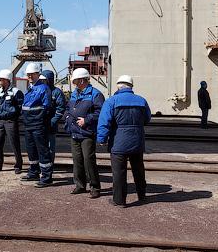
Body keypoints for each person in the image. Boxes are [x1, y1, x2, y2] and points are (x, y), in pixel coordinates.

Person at [97, 74, 152, 207]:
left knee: (119, 173)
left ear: (118, 86)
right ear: (131, 86)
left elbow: (104, 122)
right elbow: (147, 119)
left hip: (118, 142)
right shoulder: (141, 101)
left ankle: (119, 200)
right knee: (138, 170)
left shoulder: (111, 101)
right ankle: (142, 196)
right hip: (137, 141)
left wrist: (101, 138)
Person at [63, 67, 105, 198]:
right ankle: (80, 185)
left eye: (75, 81)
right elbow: (67, 108)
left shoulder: (95, 94)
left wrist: (86, 120)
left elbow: (101, 112)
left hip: (87, 132)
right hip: (75, 132)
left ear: (81, 80)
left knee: (88, 160)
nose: (74, 83)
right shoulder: (75, 93)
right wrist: (67, 117)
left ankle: (95, 187)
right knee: (77, 160)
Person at [20, 62, 53, 187]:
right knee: (31, 150)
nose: (30, 77)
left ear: (38, 74)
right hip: (28, 125)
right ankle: (33, 172)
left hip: (38, 125)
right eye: (28, 75)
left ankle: (46, 177)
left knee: (43, 151)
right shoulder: (30, 88)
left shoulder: (43, 89)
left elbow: (46, 107)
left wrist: (38, 119)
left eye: (32, 74)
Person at [0, 68, 23, 174]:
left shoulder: (16, 92)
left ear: (7, 80)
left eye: (1, 79)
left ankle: (18, 165)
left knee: (14, 143)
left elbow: (20, 107)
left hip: (11, 121)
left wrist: (13, 116)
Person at [41, 69, 66, 172]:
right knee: (41, 146)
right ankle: (42, 166)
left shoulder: (57, 93)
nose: (42, 82)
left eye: (44, 80)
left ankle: (49, 166)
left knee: (50, 147)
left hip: (51, 125)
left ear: (49, 80)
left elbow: (61, 108)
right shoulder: (40, 90)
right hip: (40, 123)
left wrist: (53, 121)